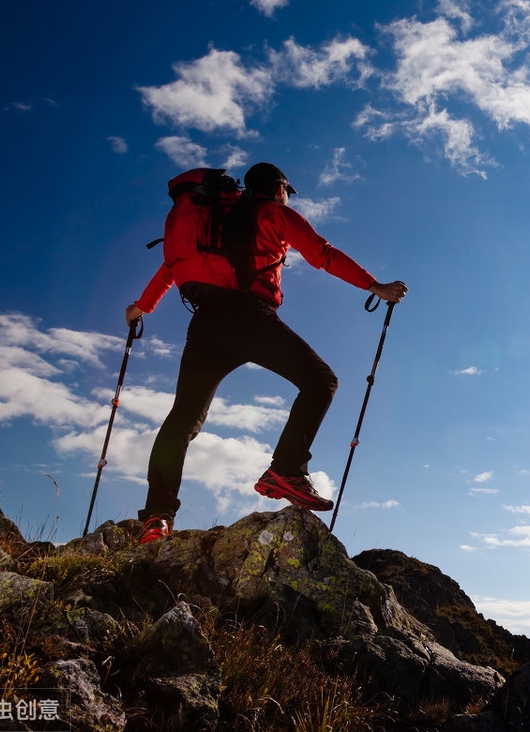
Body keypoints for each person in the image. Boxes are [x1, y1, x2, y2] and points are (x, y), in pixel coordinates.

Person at [126, 162, 407, 544]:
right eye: (288, 192)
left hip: (206, 324)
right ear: (278, 190)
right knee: (320, 382)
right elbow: (322, 254)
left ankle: (156, 516)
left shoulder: (211, 221)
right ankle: (286, 469)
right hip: (249, 317)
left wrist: (140, 309)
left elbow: (170, 269)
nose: (288, 198)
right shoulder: (275, 213)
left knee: (183, 420)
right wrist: (375, 286)